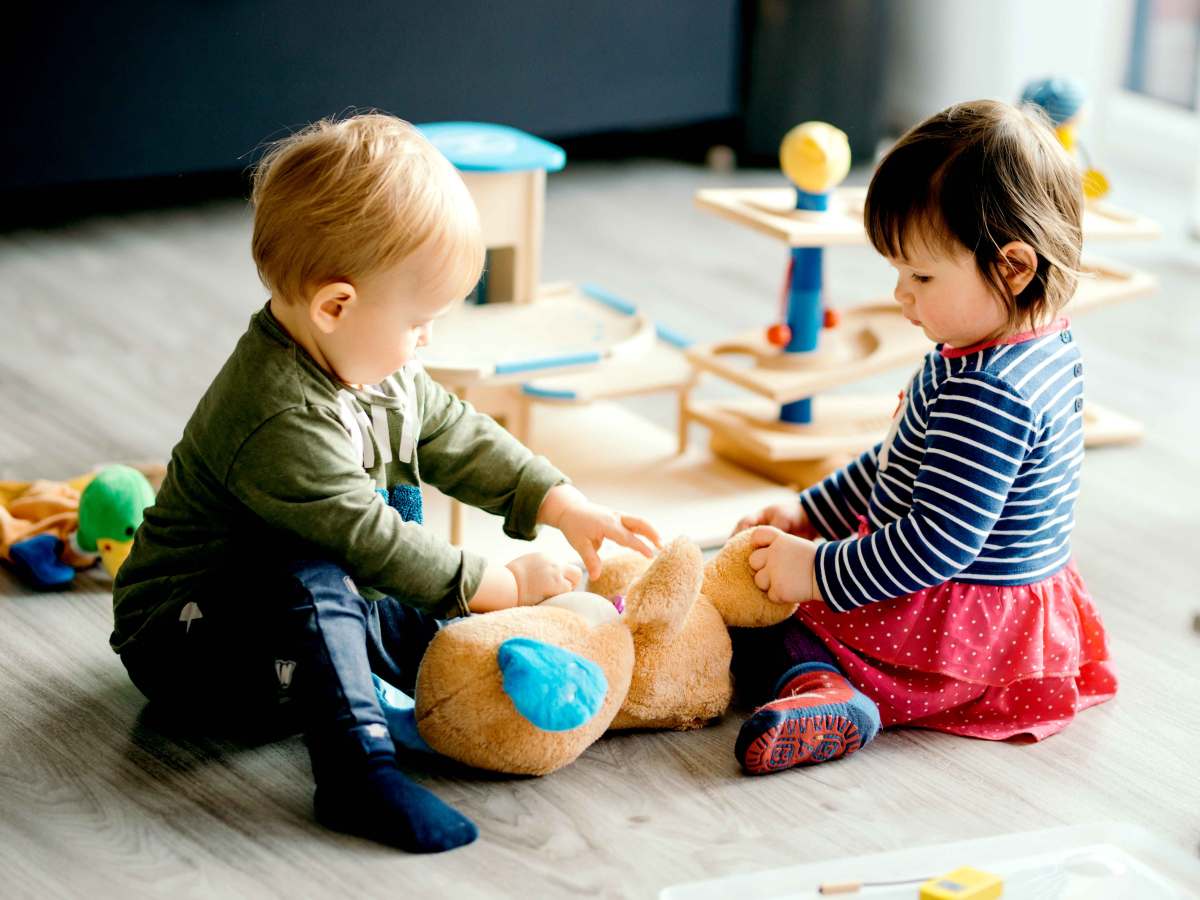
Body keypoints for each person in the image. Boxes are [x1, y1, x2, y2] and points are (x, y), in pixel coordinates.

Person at [110, 113, 661, 852]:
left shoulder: (377, 363)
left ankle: (473, 694)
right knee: (314, 572)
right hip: (187, 642)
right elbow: (368, 543)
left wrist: (561, 502)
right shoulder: (275, 413)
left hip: (305, 612)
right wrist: (500, 583)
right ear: (336, 306)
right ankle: (356, 773)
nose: (427, 340)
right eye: (419, 321)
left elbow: (454, 434)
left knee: (415, 610)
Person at [729, 99, 1117, 775]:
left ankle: (827, 689)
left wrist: (814, 571)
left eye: (922, 276)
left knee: (766, 622)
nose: (902, 296)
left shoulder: (989, 389)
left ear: (1014, 268)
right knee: (772, 582)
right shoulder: (1020, 342)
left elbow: (934, 544)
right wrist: (812, 510)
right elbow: (900, 460)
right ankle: (828, 678)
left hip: (953, 629)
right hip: (1000, 614)